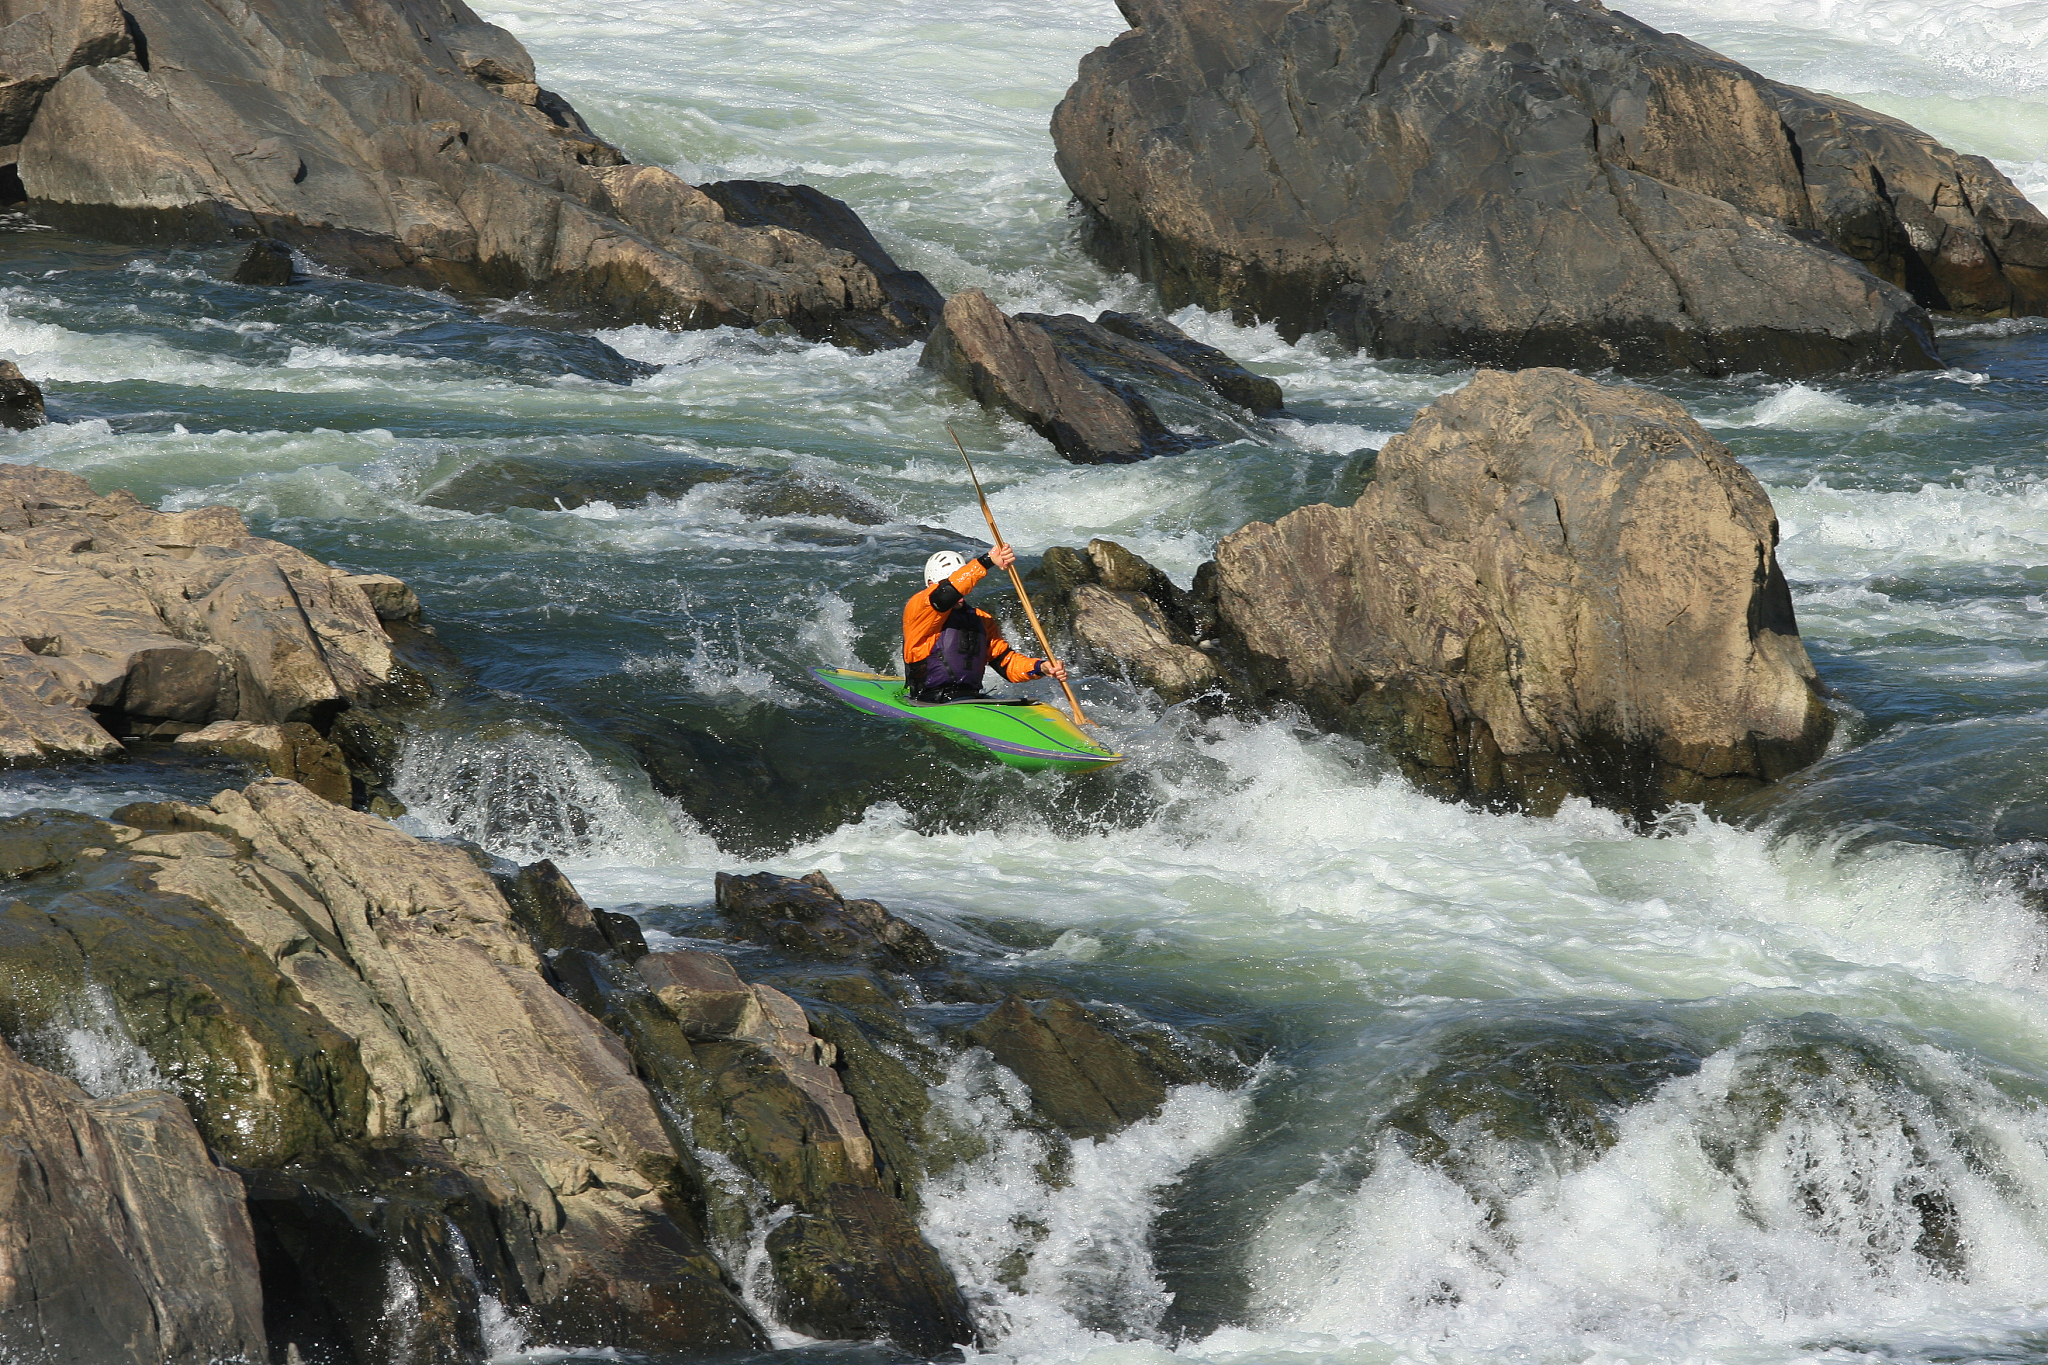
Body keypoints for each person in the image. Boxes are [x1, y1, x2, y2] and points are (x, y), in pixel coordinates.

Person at [902, 545, 1070, 703]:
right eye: (949, 582)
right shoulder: (919, 609)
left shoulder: (981, 619)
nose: (961, 593)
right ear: (931, 585)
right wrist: (988, 560)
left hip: (970, 699)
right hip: (929, 700)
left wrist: (1041, 667)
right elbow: (947, 592)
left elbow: (1007, 663)